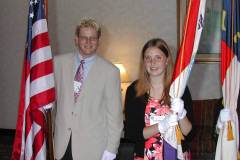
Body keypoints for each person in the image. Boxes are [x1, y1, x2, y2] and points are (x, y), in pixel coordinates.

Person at [53, 18, 123, 160]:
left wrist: (111, 149)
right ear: (76, 39)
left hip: (93, 149)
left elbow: (115, 117)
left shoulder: (110, 71)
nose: (88, 42)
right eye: (84, 38)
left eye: (93, 38)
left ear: (99, 40)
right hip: (61, 145)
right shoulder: (58, 63)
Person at [124, 38, 194, 160]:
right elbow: (132, 133)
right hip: (145, 156)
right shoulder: (133, 90)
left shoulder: (179, 89)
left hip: (177, 155)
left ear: (166, 61)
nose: (152, 62)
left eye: (158, 57)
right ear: (143, 62)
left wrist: (182, 114)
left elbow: (190, 134)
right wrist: (161, 126)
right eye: (148, 58)